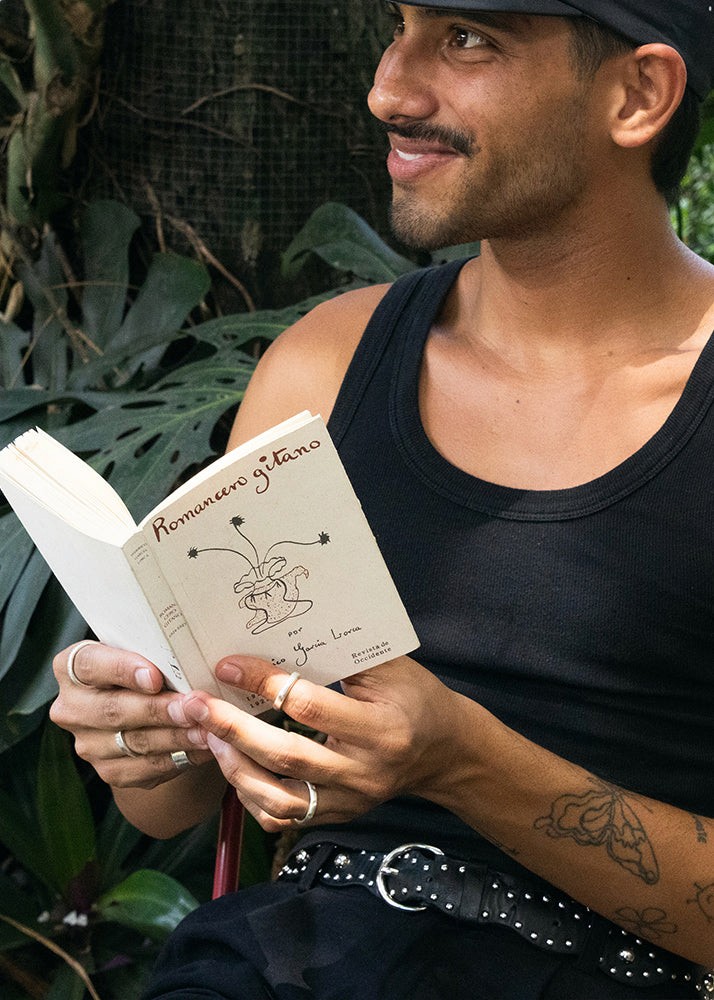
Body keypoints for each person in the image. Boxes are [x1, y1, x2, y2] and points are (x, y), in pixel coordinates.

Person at [49, 2, 714, 997]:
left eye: (467, 39)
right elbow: (176, 799)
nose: (389, 90)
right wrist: (140, 731)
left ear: (639, 94)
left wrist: (462, 761)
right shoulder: (327, 362)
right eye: (400, 27)